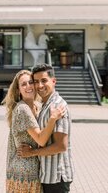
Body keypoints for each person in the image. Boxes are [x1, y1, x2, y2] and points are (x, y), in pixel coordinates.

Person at [3, 69, 66, 193]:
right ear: (18, 90)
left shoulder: (38, 106)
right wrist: (53, 118)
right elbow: (41, 139)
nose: (28, 86)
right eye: (23, 84)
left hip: (34, 169)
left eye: (31, 82)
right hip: (24, 173)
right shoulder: (22, 109)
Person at [18, 64, 73, 193]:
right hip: (48, 175)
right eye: (36, 81)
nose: (39, 86)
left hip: (57, 176)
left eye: (44, 80)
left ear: (53, 81)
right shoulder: (45, 105)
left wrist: (32, 152)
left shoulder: (58, 106)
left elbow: (61, 146)